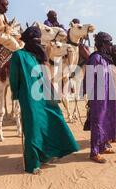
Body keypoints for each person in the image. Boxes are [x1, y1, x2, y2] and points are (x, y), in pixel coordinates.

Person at [10, 26, 80, 174]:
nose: (37, 42)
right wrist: (16, 96)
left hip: (45, 94)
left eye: (38, 39)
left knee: (55, 118)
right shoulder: (18, 55)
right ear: (27, 41)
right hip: (29, 96)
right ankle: (32, 164)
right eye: (34, 40)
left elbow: (46, 76)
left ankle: (49, 153)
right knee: (33, 127)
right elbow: (14, 78)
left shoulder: (39, 56)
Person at [84, 32, 116, 164]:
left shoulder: (106, 59)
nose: (110, 45)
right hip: (98, 96)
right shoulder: (95, 58)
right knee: (98, 122)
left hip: (109, 94)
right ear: (102, 44)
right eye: (108, 43)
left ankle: (104, 145)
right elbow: (89, 78)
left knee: (108, 119)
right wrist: (89, 97)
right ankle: (94, 152)